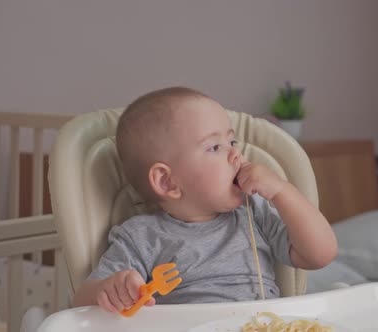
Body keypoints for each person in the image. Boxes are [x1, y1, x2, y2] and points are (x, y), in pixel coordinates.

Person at [73, 87, 337, 313]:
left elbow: (320, 255)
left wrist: (281, 191)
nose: (235, 153)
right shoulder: (141, 237)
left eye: (232, 140)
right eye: (215, 147)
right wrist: (110, 290)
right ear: (167, 181)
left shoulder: (254, 213)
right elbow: (81, 303)